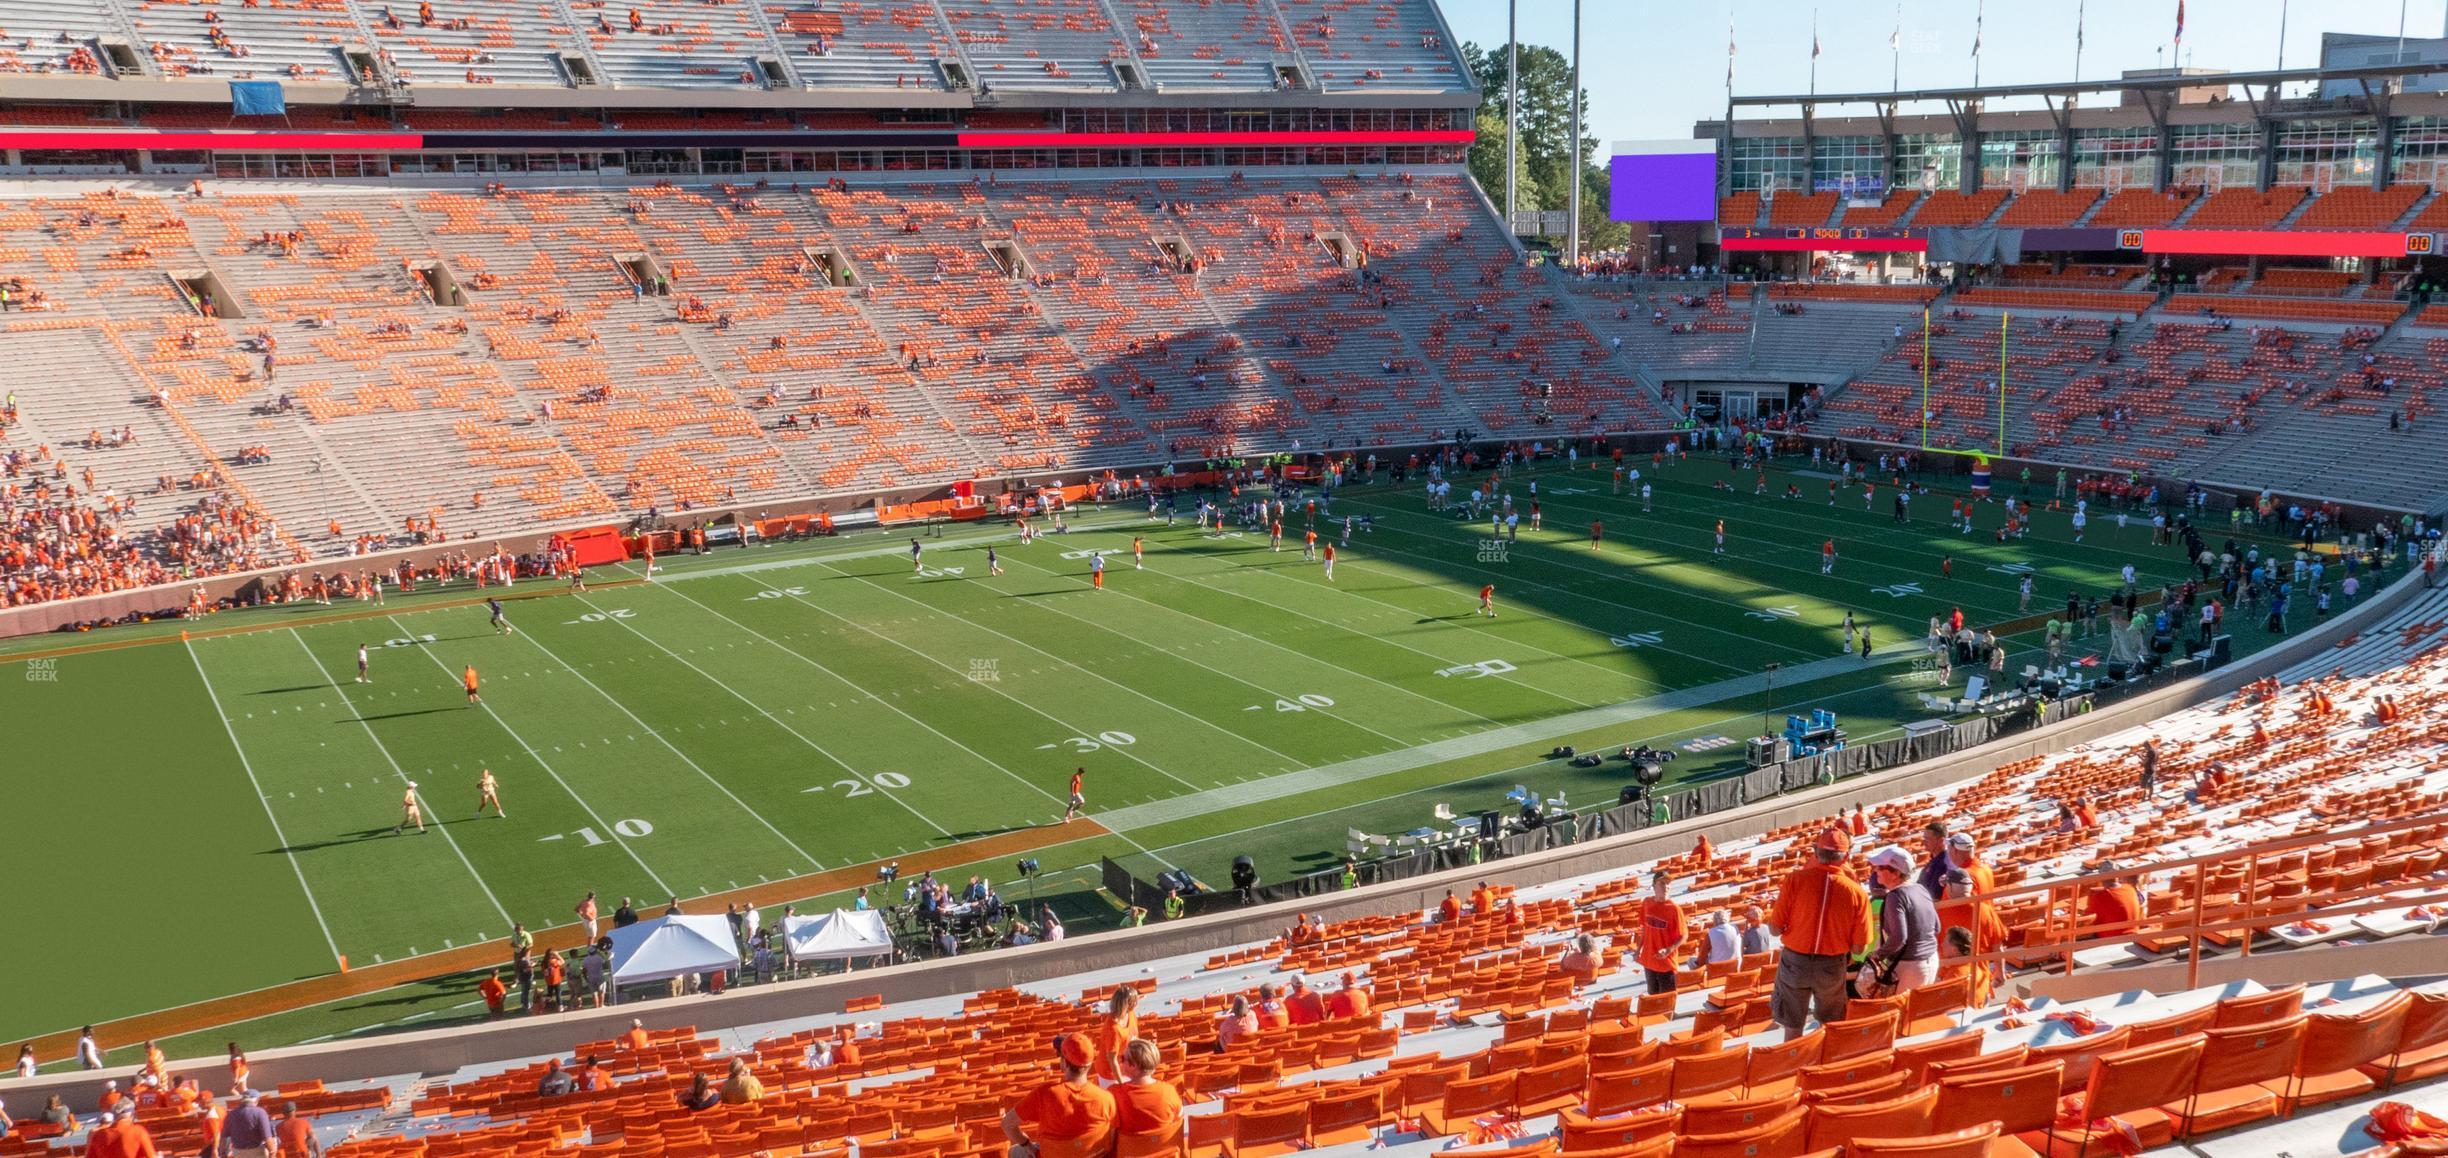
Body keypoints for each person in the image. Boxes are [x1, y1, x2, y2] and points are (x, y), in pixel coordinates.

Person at [1767, 827, 1873, 1040]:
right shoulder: (1857, 893)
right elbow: (1859, 947)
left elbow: (1774, 929)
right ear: (1846, 857)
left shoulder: (1794, 880)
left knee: (1792, 1024)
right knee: (1832, 1025)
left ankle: (1792, 1065)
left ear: (1816, 853)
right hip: (1832, 965)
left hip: (1794, 962)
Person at [1003, 1036, 1117, 1158]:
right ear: (1089, 1065)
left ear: (1064, 1062)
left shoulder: (1044, 1094)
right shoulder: (1107, 1098)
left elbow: (1007, 1125)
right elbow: (1112, 1137)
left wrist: (1027, 1144)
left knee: (1014, 1151)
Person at [1865, 846, 1939, 994]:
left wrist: (1878, 955)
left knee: (1899, 1012)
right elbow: (1936, 927)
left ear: (1896, 873)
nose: (1875, 871)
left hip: (1910, 966)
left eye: (1880, 867)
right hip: (1930, 960)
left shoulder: (1895, 896)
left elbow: (1899, 937)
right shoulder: (1920, 889)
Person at [1110, 1039, 1184, 1151]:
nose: (1121, 1062)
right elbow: (1177, 1125)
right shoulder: (1170, 1091)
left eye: (1123, 1058)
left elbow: (1109, 1137)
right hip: (1162, 1154)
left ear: (1133, 1066)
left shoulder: (1113, 1094)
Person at [1636, 870, 1685, 995]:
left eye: (1668, 883)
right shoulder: (1647, 903)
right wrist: (1638, 950)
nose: (1666, 886)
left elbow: (1683, 935)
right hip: (1649, 961)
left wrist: (1669, 950)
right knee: (1653, 998)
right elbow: (1644, 929)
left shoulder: (1674, 909)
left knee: (1666, 1002)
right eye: (1662, 883)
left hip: (1666, 964)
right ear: (1653, 886)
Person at [1089, 987, 1138, 1084]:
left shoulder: (1130, 1014)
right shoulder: (1113, 1029)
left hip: (1127, 1066)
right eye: (1135, 1001)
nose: (1137, 1004)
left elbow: (1135, 1036)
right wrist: (1121, 1083)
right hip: (1111, 1074)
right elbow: (1112, 1060)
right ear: (1128, 1004)